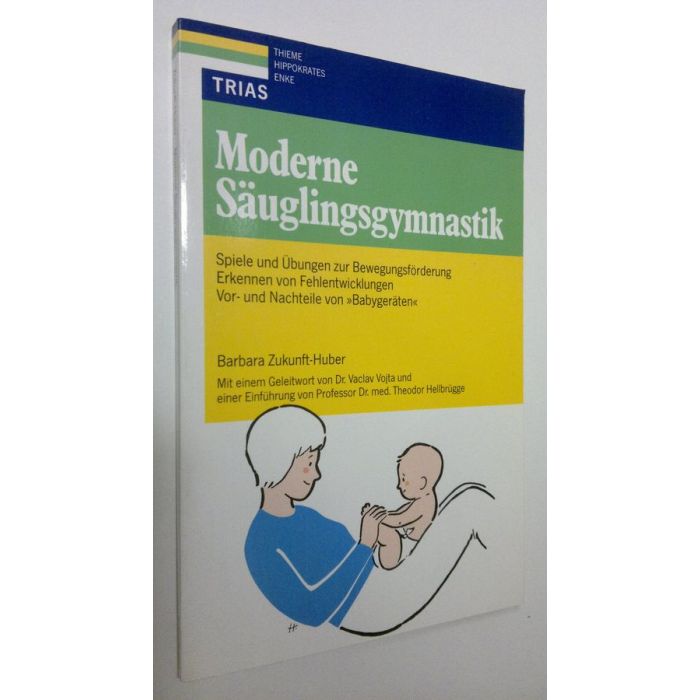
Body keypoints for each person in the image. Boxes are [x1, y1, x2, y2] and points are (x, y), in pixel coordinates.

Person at [244, 405, 386, 627]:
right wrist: (365, 545)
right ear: (280, 462)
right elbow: (311, 611)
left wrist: (380, 540)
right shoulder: (260, 543)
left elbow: (362, 564)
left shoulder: (307, 515)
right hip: (369, 616)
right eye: (309, 464)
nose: (316, 473)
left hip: (386, 592)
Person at [370, 443, 443, 570]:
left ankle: (366, 551)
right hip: (404, 544)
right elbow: (399, 513)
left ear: (422, 483)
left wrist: (378, 518)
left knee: (387, 532)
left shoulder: (423, 505)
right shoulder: (422, 499)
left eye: (403, 480)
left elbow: (399, 520)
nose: (399, 485)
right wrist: (379, 514)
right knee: (383, 528)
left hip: (405, 551)